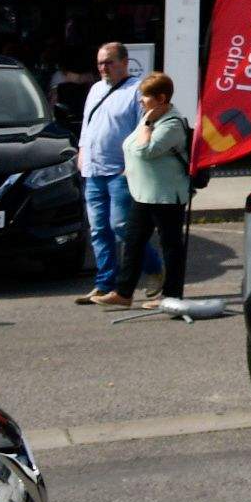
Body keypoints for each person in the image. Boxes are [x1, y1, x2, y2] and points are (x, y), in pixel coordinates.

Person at [72, 42, 160, 305]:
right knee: (98, 230)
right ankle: (104, 285)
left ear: (124, 62)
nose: (103, 68)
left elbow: (142, 129)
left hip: (120, 171)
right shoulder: (96, 89)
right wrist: (82, 150)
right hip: (94, 169)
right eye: (100, 63)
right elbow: (88, 125)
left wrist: (130, 165)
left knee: (121, 226)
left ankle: (155, 269)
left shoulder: (137, 91)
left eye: (109, 62)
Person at [103, 72, 192, 311]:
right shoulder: (149, 119)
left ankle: (171, 295)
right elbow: (130, 145)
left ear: (161, 98)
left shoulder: (171, 124)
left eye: (145, 97)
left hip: (166, 196)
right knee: (133, 241)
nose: (141, 101)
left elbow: (146, 150)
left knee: (170, 245)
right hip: (143, 193)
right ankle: (123, 293)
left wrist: (147, 123)